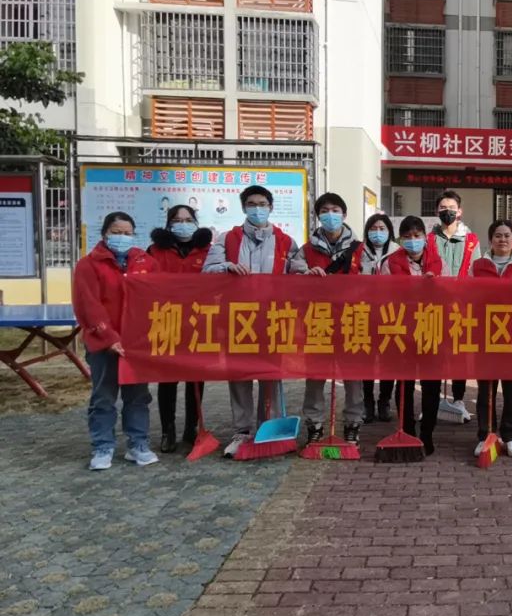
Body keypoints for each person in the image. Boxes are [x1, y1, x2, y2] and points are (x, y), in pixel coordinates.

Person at [203, 185, 308, 459]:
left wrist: (311, 275)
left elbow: (299, 274)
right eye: (252, 204)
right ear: (243, 207)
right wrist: (226, 267)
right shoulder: (227, 239)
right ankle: (242, 431)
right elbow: (207, 271)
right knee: (239, 376)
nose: (257, 208)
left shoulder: (286, 242)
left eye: (262, 204)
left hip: (273, 319)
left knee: (270, 376)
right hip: (238, 319)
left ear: (271, 207)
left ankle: (268, 429)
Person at [73, 212, 160, 470]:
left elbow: (157, 298)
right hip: (103, 343)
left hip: (136, 344)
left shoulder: (147, 262)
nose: (122, 237)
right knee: (103, 396)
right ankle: (102, 447)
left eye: (127, 233)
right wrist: (109, 337)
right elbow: (88, 305)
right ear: (104, 234)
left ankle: (138, 444)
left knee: (138, 396)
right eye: (116, 232)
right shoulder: (88, 265)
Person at [468, 219, 512, 458]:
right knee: (486, 387)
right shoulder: (478, 265)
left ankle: (510, 435)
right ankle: (486, 434)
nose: (503, 240)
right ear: (490, 240)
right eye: (498, 235)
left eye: (507, 235)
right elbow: (467, 295)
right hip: (485, 334)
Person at [301, 193, 367, 443]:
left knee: (353, 377)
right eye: (325, 211)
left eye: (335, 210)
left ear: (344, 214)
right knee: (315, 378)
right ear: (318, 216)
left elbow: (372, 282)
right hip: (317, 321)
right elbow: (291, 278)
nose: (331, 215)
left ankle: (353, 424)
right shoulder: (306, 250)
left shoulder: (360, 249)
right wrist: (307, 275)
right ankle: (315, 425)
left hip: (352, 320)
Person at [147, 205, 213, 453]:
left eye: (187, 219)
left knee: (196, 377)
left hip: (199, 320)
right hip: (167, 319)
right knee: (168, 377)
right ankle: (168, 430)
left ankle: (191, 428)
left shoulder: (209, 250)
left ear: (195, 222)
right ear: (169, 223)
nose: (182, 224)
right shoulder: (155, 251)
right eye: (177, 220)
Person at [381, 215, 443, 455]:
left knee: (431, 384)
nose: (413, 240)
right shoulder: (390, 263)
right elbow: (383, 296)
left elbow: (450, 294)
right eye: (407, 237)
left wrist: (435, 287)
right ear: (400, 239)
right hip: (402, 330)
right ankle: (406, 428)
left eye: (417, 236)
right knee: (404, 383)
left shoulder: (438, 263)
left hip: (431, 329)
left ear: (425, 238)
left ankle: (427, 432)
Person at [428, 190, 480, 418]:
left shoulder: (471, 241)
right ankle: (434, 401)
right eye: (443, 208)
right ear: (436, 211)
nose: (447, 211)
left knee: (459, 353)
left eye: (451, 208)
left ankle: (458, 399)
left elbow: (475, 272)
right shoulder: (429, 239)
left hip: (461, 306)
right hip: (434, 306)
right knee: (435, 353)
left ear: (459, 211)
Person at [359, 213, 399, 422]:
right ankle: (367, 402)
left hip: (390, 314)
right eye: (373, 229)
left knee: (388, 361)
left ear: (389, 231)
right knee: (365, 360)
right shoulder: (357, 252)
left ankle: (384, 402)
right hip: (364, 313)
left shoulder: (398, 252)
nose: (378, 232)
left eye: (382, 229)